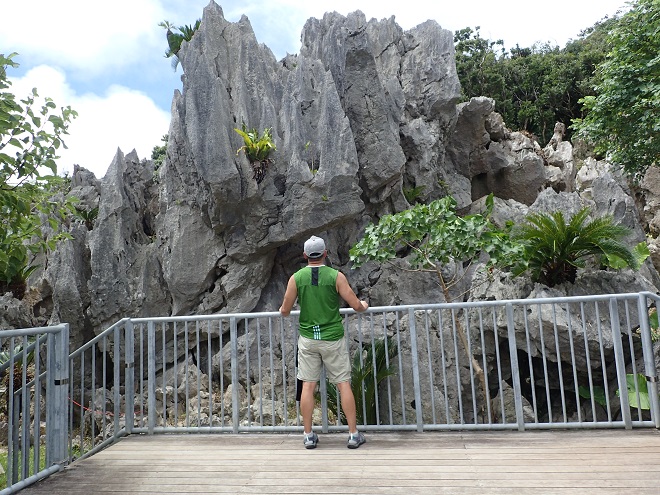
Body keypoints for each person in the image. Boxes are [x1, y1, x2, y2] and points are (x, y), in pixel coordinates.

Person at [279, 235, 369, 449]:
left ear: (305, 256)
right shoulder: (336, 276)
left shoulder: (296, 278)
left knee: (307, 387)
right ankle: (353, 435)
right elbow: (355, 304)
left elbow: (285, 310)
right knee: (343, 384)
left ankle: (309, 435)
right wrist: (364, 305)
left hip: (309, 339)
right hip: (333, 338)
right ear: (325, 254)